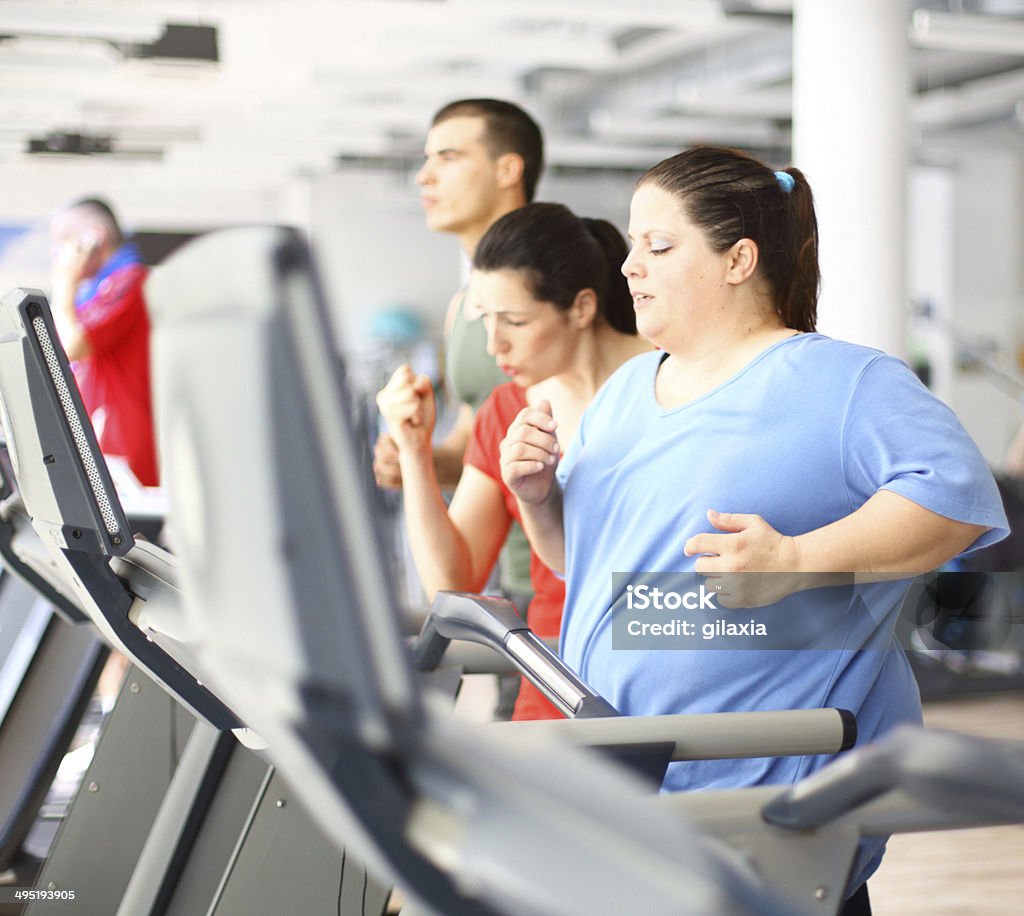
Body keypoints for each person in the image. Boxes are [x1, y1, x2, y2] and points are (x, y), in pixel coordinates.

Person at [500, 147, 1009, 912]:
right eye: (633, 245)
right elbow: (584, 562)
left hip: (754, 810)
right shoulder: (627, 389)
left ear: (738, 259)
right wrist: (538, 496)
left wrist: (799, 559)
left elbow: (958, 501)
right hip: (627, 792)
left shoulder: (840, 381)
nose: (630, 267)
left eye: (658, 246)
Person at [376, 202, 650, 720]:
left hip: (665, 663)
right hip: (557, 675)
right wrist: (415, 452)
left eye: (515, 322)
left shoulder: (675, 380)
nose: (494, 344)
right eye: (487, 320)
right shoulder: (505, 409)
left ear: (582, 308)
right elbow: (452, 584)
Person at [373, 99, 543, 707]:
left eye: (447, 157)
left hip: (572, 581)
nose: (425, 177)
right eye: (425, 160)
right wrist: (416, 451)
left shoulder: (557, 282)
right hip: (506, 575)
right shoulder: (462, 305)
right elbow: (478, 440)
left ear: (507, 169)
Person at [49, 197, 158, 486]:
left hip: (126, 454)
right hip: (104, 447)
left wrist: (64, 283)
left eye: (64, 240)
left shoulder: (131, 281)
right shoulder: (96, 293)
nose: (57, 253)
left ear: (94, 237)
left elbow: (70, 347)